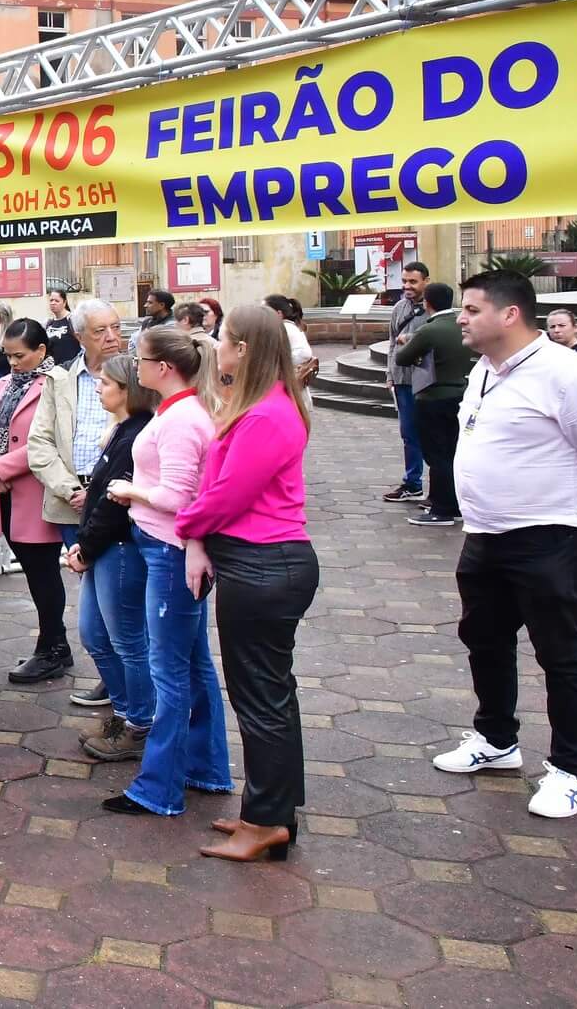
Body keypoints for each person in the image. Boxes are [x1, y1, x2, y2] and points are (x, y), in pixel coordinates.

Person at [431, 270, 577, 819]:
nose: (462, 318)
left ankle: (572, 768)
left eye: (472, 310)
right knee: (485, 637)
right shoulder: (483, 370)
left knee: (560, 653)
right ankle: (496, 740)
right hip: (485, 534)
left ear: (510, 314)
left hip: (550, 535)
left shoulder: (567, 374)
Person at [178, 303, 318, 861]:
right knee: (268, 695)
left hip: (265, 566)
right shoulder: (261, 406)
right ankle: (270, 811)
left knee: (261, 698)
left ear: (246, 350)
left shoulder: (266, 415)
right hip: (261, 564)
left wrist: (187, 526)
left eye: (226, 341)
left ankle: (267, 821)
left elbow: (227, 495)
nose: (217, 349)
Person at [100, 326, 229, 819]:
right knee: (192, 666)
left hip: (169, 550)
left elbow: (179, 497)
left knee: (169, 672)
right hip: (169, 547)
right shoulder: (181, 412)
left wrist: (130, 491)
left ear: (164, 368)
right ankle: (206, 768)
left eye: (141, 358)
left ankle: (159, 789)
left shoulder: (181, 419)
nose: (135, 366)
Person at [24, 297, 125, 686]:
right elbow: (40, 444)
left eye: (116, 327)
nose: (112, 337)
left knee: (118, 596)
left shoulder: (136, 376)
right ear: (79, 336)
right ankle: (113, 678)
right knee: (93, 589)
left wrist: (100, 491)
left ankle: (124, 682)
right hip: (72, 502)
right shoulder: (61, 378)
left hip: (118, 501)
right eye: (101, 331)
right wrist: (71, 490)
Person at [64, 353, 156, 763]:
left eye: (104, 384)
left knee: (126, 641)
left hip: (119, 550)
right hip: (103, 546)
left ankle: (139, 723)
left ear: (126, 390)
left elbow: (115, 504)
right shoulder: (120, 430)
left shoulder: (136, 434)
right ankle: (123, 713)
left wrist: (86, 545)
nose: (98, 389)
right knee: (95, 636)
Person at [0, 321, 68, 684]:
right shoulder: (3, 383)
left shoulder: (57, 384)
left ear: (41, 351)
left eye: (20, 355)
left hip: (35, 491)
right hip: (4, 491)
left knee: (43, 572)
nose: (13, 362)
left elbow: (49, 443)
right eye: (8, 355)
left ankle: (51, 648)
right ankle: (54, 644)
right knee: (33, 571)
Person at [394, 281, 472, 529]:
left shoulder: (430, 330)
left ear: (427, 302)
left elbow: (403, 358)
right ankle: (455, 504)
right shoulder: (460, 325)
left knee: (436, 455)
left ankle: (442, 509)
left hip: (433, 397)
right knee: (452, 453)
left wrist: (407, 342)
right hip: (459, 393)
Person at [383, 261, 431, 503]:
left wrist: (411, 340)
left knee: (431, 434)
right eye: (404, 281)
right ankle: (412, 482)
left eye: (413, 281)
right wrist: (390, 374)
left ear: (425, 281)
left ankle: (440, 486)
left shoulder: (434, 309)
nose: (407, 286)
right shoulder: (399, 307)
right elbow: (392, 342)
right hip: (402, 380)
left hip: (425, 380)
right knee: (408, 433)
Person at [43, 289, 83, 368]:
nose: (53, 303)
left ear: (64, 303)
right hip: (55, 370)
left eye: (57, 301)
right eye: (51, 300)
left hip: (71, 368)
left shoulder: (72, 320)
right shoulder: (48, 323)